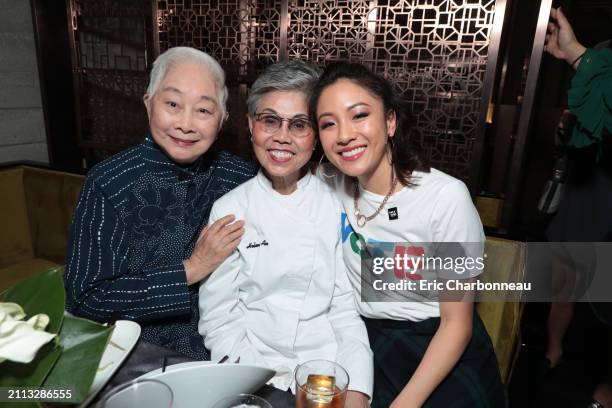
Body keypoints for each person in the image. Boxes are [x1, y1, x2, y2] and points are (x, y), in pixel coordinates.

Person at [309, 62, 506, 408]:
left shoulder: (444, 197)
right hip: (368, 340)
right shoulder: (330, 185)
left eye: (359, 115)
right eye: (328, 123)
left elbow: (456, 324)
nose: (344, 134)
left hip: (438, 343)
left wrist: (405, 403)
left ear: (390, 122)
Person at [198, 60, 373, 407]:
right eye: (270, 120)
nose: (282, 136)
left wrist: (358, 389)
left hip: (325, 372)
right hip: (251, 371)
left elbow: (344, 308)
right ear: (251, 126)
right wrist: (257, 383)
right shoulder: (230, 208)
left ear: (318, 136)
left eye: (299, 125)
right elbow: (220, 317)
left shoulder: (338, 201)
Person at [64, 47, 257, 360]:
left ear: (223, 119)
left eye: (203, 111)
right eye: (172, 104)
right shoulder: (109, 183)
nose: (186, 123)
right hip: (134, 357)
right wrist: (191, 270)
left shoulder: (242, 176)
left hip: (229, 350)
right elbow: (87, 300)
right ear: (148, 103)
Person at [542, 7, 612, 408]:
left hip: (604, 190)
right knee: (565, 277)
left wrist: (578, 55)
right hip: (589, 186)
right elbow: (583, 123)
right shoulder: (602, 51)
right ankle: (552, 349)